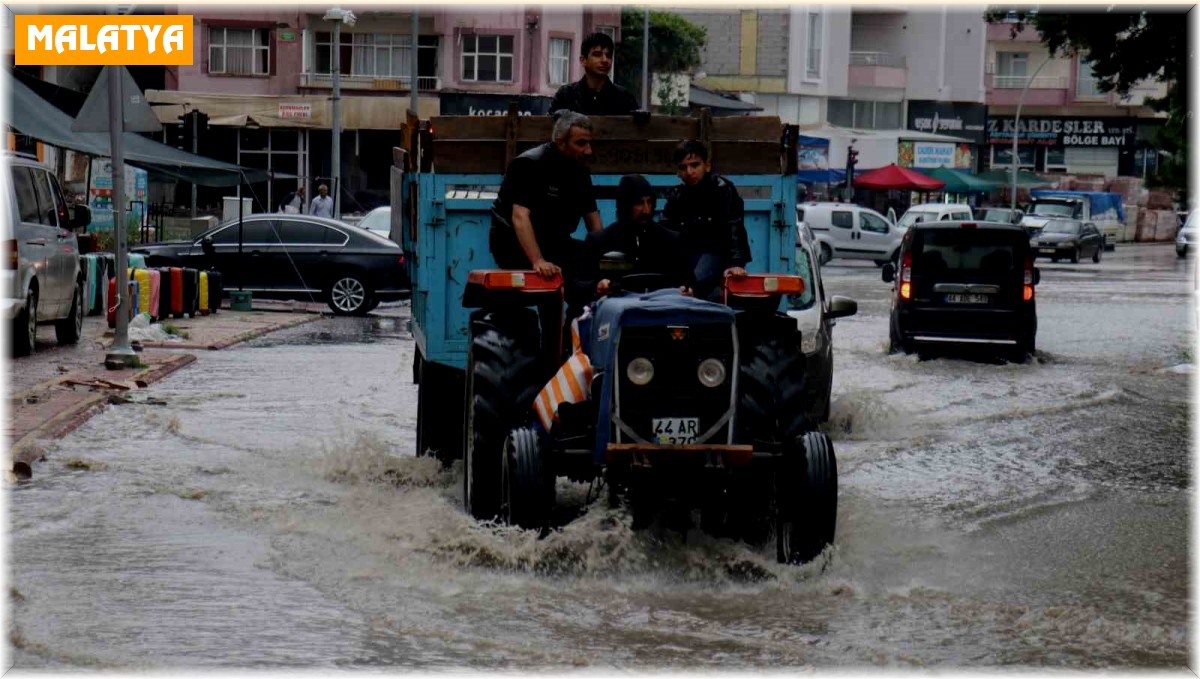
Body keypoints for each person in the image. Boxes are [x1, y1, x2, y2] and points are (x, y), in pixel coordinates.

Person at [490, 111, 603, 287]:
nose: (588, 150)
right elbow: (519, 217)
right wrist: (538, 260)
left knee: (591, 267)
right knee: (556, 274)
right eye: (581, 143)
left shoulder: (580, 170)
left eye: (589, 143)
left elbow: (593, 219)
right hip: (513, 244)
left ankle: (580, 312)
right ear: (560, 142)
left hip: (553, 242)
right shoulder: (530, 164)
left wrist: (604, 257)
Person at [576, 174, 692, 298]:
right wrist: (597, 286)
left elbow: (689, 283)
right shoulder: (600, 242)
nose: (646, 210)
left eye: (649, 202)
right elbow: (579, 285)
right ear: (625, 205)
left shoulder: (671, 240)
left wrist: (688, 290)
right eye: (639, 203)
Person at [661, 140, 750, 301]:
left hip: (715, 254)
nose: (689, 172)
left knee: (691, 285)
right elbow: (664, 232)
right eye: (683, 167)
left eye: (694, 165)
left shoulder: (722, 190)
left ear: (707, 165)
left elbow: (734, 225)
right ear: (677, 172)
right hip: (686, 257)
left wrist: (736, 263)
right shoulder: (676, 196)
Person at [549, 32, 639, 116]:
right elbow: (548, 128)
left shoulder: (623, 98)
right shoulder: (566, 96)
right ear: (583, 60)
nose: (604, 60)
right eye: (597, 54)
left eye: (608, 55)